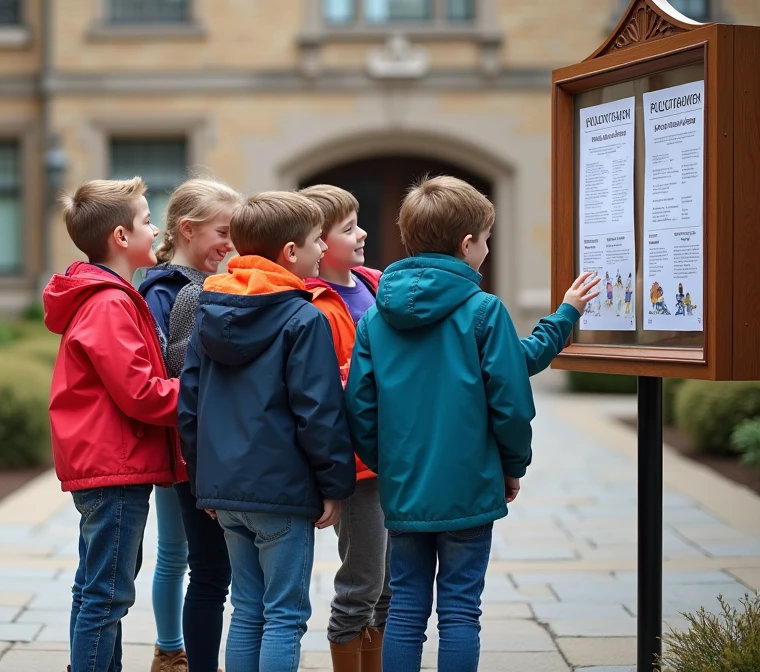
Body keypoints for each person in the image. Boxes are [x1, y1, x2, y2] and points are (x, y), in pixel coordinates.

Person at [344, 175, 598, 672]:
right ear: (467, 244)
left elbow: (361, 407)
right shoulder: (484, 311)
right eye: (486, 239)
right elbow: (511, 401)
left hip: (404, 488)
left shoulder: (375, 318)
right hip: (469, 486)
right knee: (461, 611)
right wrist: (511, 465)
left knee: (405, 611)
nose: (487, 248)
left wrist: (389, 466)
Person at [178, 191, 357, 672]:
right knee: (284, 615)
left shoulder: (209, 309)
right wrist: (335, 486)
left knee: (248, 611)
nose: (324, 250)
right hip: (282, 492)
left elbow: (189, 407)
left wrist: (203, 482)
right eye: (318, 240)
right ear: (291, 253)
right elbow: (318, 412)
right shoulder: (303, 317)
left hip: (226, 492)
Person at [43, 177, 181, 672]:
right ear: (121, 238)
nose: (156, 227)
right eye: (147, 220)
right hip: (116, 468)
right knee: (107, 596)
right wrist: (200, 396)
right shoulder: (109, 303)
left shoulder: (111, 295)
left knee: (96, 590)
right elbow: (141, 393)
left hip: (110, 466)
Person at [139, 178, 243, 672]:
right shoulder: (163, 292)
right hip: (177, 444)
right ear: (186, 229)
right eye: (222, 232)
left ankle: (175, 648)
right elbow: (166, 368)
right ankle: (169, 648)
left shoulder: (208, 284)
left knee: (185, 554)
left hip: (191, 442)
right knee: (176, 553)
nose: (229, 245)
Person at [298, 185, 386, 672]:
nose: (362, 234)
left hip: (394, 455)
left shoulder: (376, 287)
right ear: (316, 241)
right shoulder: (310, 302)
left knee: (391, 583)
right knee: (363, 580)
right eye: (349, 228)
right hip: (355, 465)